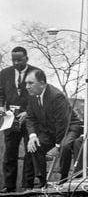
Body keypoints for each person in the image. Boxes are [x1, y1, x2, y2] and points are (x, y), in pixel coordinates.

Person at [25, 69, 82, 187]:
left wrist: (57, 145)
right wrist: (33, 136)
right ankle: (42, 182)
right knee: (35, 145)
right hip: (50, 130)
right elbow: (30, 117)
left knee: (64, 146)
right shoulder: (31, 96)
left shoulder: (56, 96)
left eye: (30, 83)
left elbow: (62, 122)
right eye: (26, 83)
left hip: (69, 127)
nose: (27, 86)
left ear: (42, 83)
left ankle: (64, 180)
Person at [0, 47, 40, 192]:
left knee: (30, 152)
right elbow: (0, 93)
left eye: (20, 60)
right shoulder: (4, 73)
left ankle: (27, 186)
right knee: (9, 152)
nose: (16, 63)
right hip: (10, 117)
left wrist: (28, 112)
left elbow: (39, 94)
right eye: (14, 60)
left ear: (26, 59)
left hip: (30, 118)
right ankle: (8, 186)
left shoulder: (36, 73)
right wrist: (1, 108)